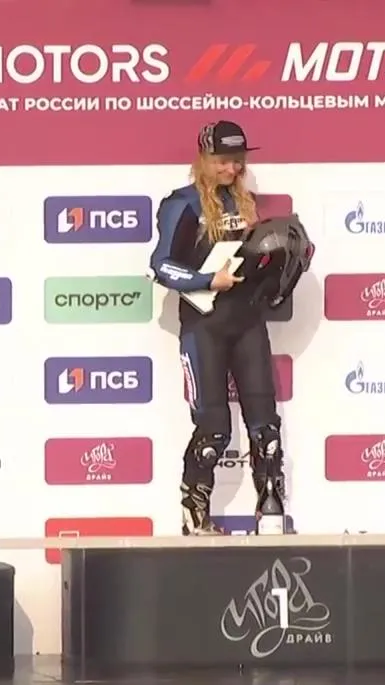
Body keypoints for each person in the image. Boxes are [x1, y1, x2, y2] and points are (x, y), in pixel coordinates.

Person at [149, 121, 313, 535]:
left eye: (238, 161)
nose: (232, 169)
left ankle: (270, 512)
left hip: (248, 324)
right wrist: (209, 281)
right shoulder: (181, 204)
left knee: (266, 427)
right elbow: (161, 266)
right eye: (222, 161)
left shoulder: (246, 203)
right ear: (203, 158)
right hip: (204, 327)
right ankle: (195, 516)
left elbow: (253, 261)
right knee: (213, 430)